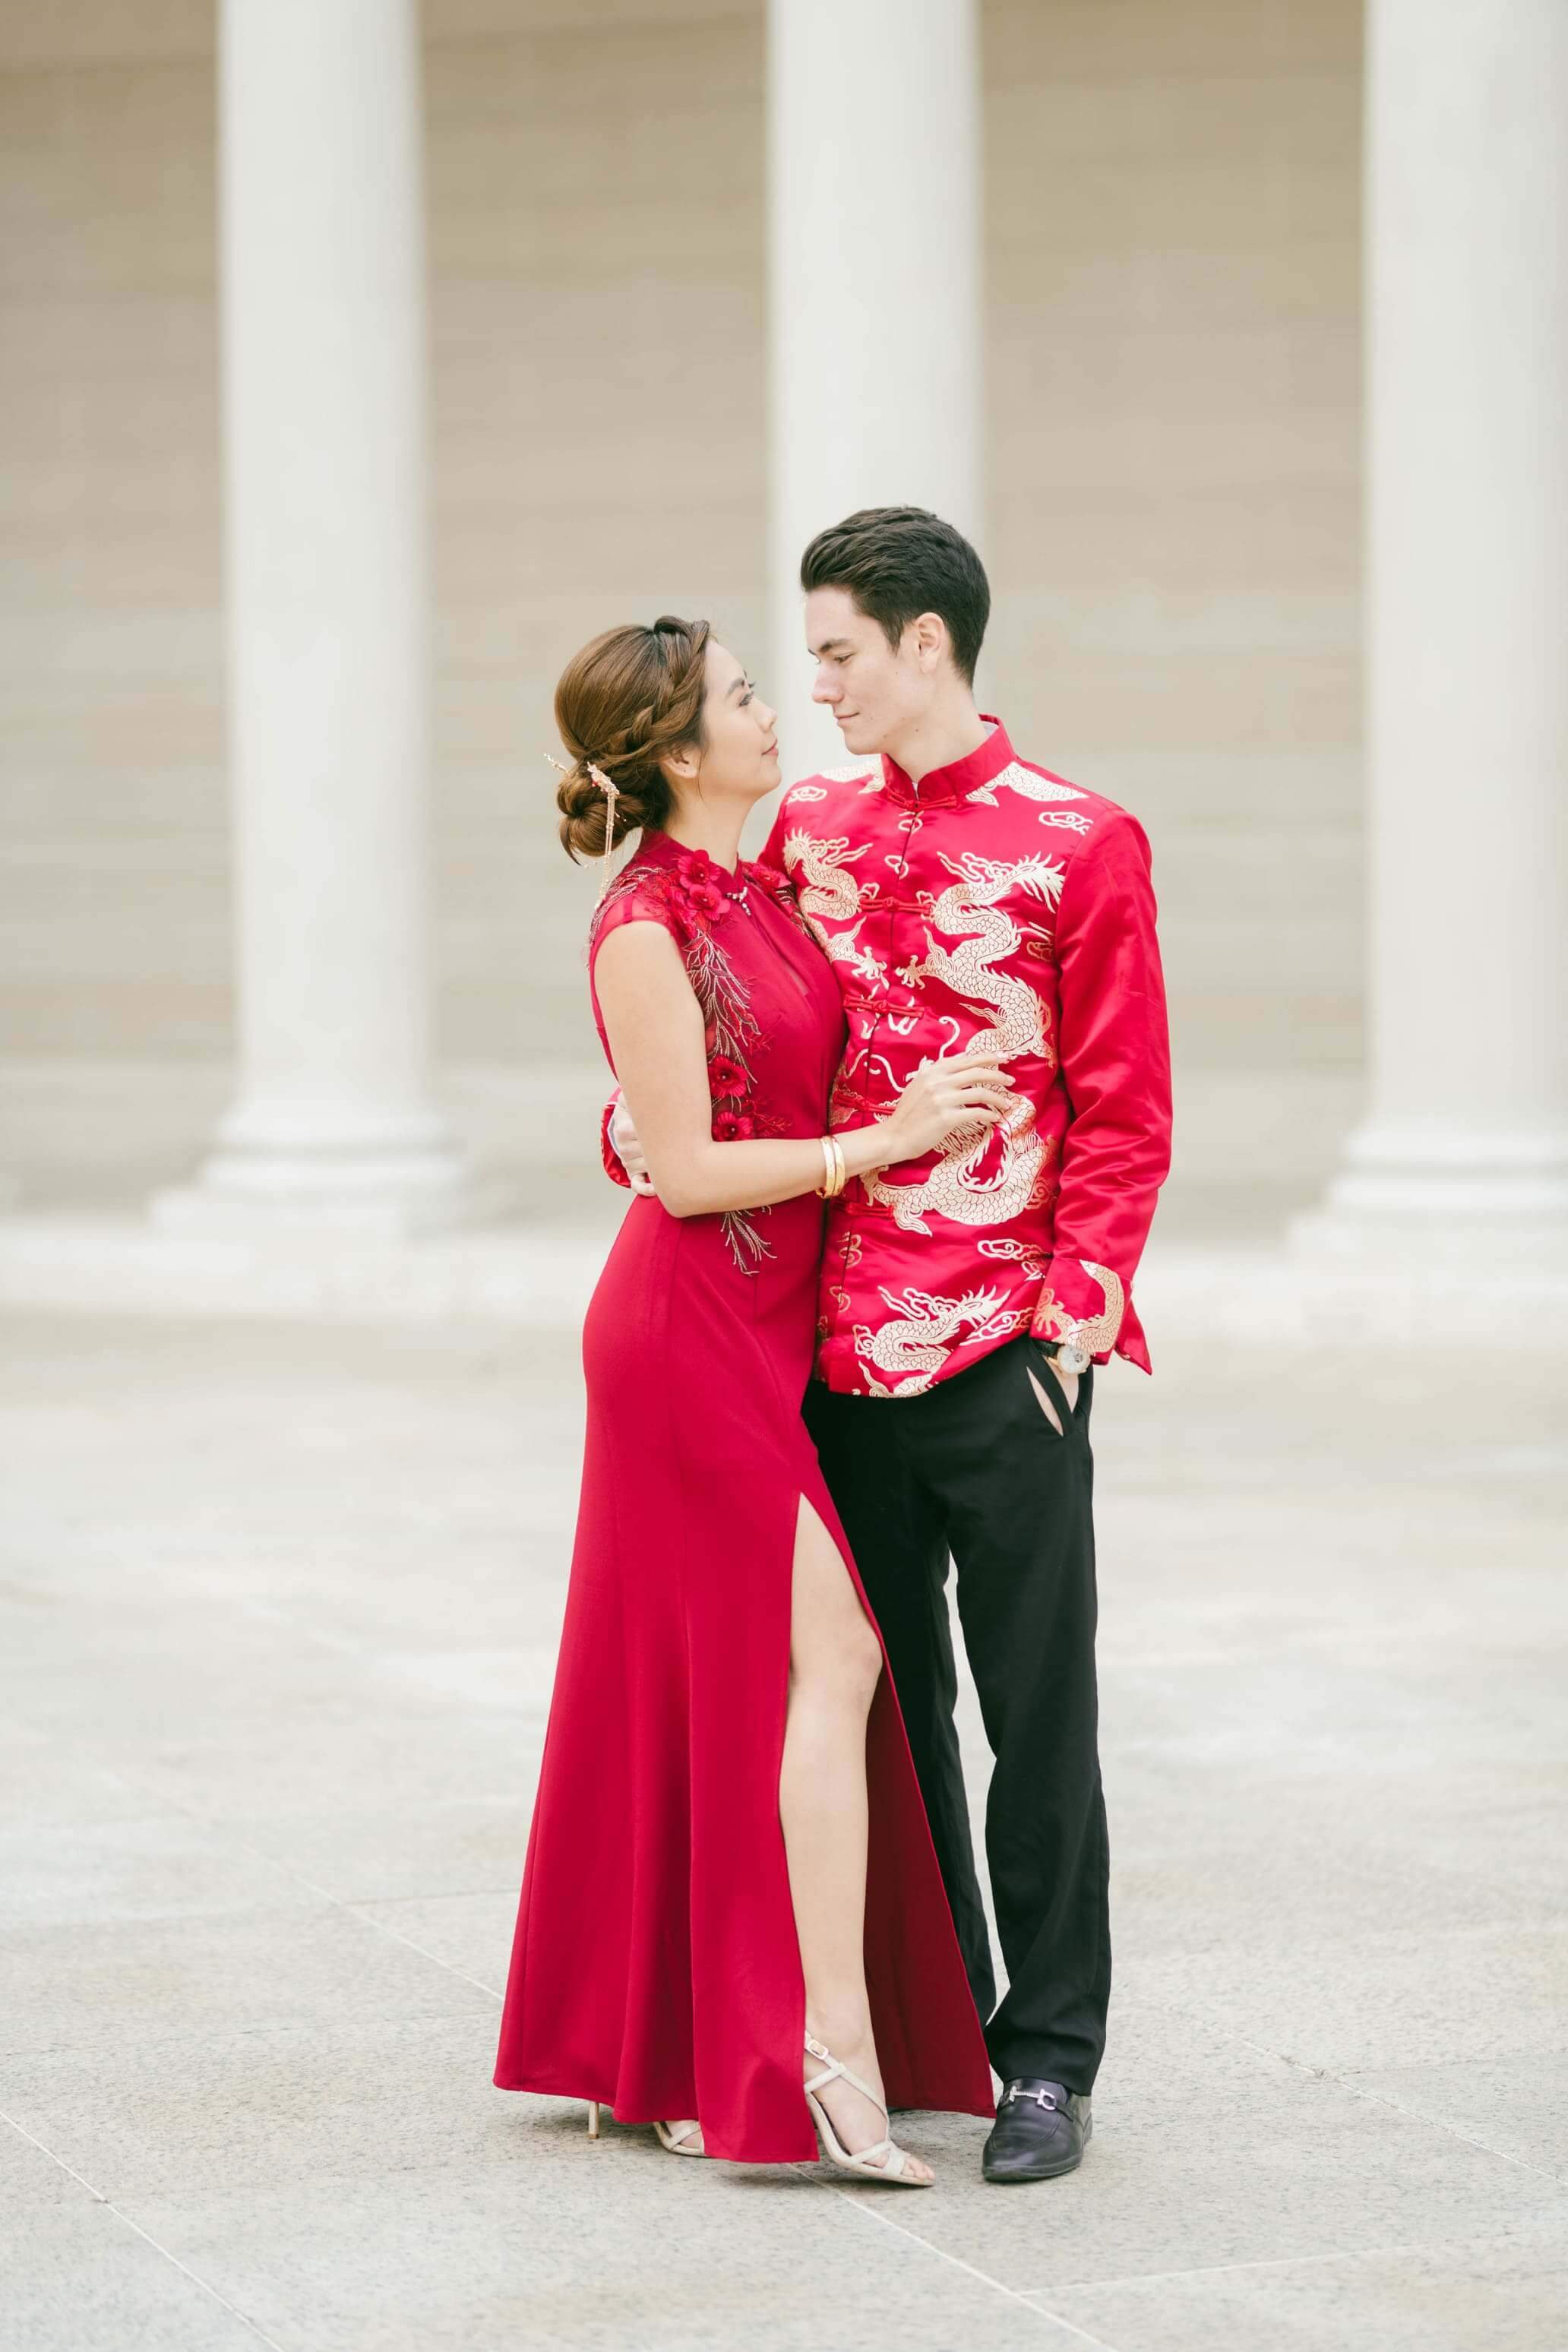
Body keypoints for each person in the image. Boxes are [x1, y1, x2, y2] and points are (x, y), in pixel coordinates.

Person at [605, 511, 1173, 2184]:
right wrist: (634, 1125)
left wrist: (1071, 1328)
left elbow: (1125, 1116)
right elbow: (731, 1040)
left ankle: (1051, 2060)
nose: (820, 687)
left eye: (841, 651)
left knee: (1039, 1717)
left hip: (1003, 1349)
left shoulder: (1083, 841)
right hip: (823, 1360)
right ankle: (946, 2031)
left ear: (928, 643)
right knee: (880, 1712)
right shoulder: (808, 834)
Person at [492, 615, 1001, 2180]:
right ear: (670, 752)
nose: (775, 713)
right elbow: (695, 1168)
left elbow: (715, 1102)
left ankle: (641, 2047)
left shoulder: (764, 888)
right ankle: (823, 2054)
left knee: (690, 1682)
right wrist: (888, 1144)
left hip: (767, 1332)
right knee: (833, 1651)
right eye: (739, 698)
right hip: (683, 1332)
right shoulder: (645, 924)